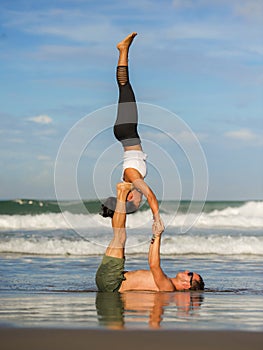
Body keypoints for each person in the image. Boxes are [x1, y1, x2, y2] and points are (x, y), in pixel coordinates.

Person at [100, 32, 164, 234]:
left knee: (124, 86)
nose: (141, 199)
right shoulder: (130, 179)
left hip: (127, 132)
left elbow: (151, 196)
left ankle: (123, 50)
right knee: (125, 88)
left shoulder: (132, 176)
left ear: (129, 197)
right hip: (126, 133)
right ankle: (123, 50)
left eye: (137, 202)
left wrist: (157, 218)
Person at [96, 182, 205, 293]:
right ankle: (120, 199)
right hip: (109, 279)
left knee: (120, 236)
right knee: (119, 236)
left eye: (190, 274)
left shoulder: (168, 287)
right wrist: (155, 235)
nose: (187, 271)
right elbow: (151, 263)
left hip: (113, 282)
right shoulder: (165, 281)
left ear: (187, 285)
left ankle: (122, 193)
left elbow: (154, 265)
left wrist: (158, 235)